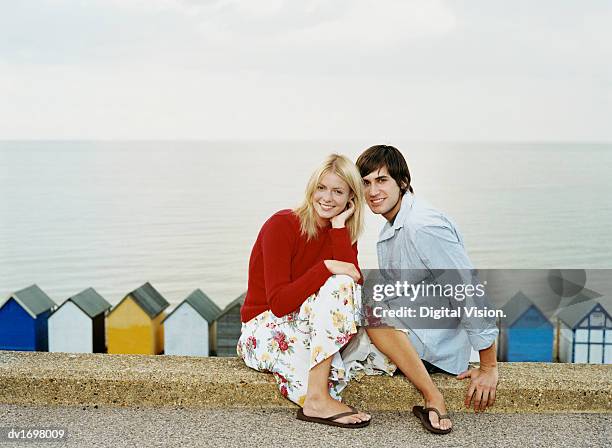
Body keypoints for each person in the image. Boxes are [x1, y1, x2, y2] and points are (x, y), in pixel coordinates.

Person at [355, 144, 500, 433]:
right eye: (366, 183)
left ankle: (433, 396)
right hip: (415, 326)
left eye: (381, 180)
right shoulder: (395, 223)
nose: (372, 191)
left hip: (433, 347)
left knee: (362, 311)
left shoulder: (422, 226)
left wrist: (488, 367)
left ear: (403, 182)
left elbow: (466, 289)